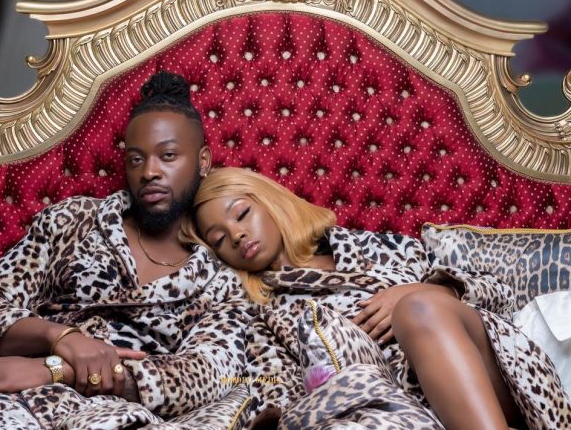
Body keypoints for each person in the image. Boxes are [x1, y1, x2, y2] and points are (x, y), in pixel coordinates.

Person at [0, 72, 254, 429]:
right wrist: (60, 337)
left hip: (126, 415)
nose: (149, 172)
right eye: (135, 159)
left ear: (203, 161)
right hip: (16, 401)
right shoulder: (73, 221)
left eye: (168, 155)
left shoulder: (222, 276)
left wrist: (54, 369)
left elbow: (206, 374)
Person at [181, 167, 571, 430]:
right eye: (219, 239)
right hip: (408, 409)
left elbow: (500, 293)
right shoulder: (263, 312)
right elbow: (278, 390)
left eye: (242, 214)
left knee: (417, 310)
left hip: (502, 374)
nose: (236, 235)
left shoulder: (378, 248)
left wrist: (427, 289)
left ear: (271, 202)